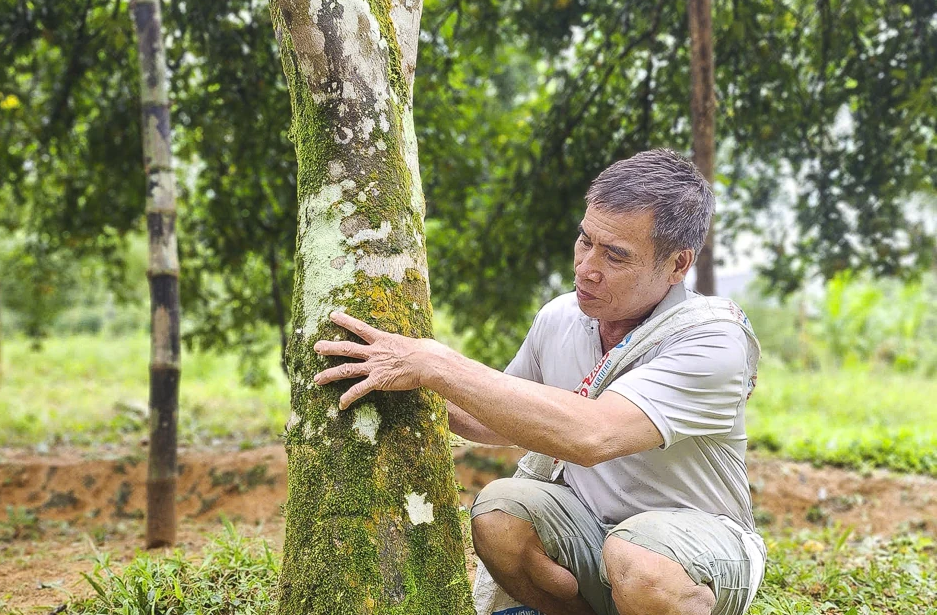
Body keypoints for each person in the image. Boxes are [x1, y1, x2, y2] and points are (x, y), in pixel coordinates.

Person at [312, 148, 765, 615]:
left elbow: (592, 434)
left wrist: (438, 364)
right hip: (594, 532)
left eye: (615, 256)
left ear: (676, 265)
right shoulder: (561, 317)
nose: (587, 267)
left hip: (696, 547)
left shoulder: (714, 341)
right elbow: (495, 418)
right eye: (585, 240)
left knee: (640, 561)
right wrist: (394, 374)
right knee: (500, 514)